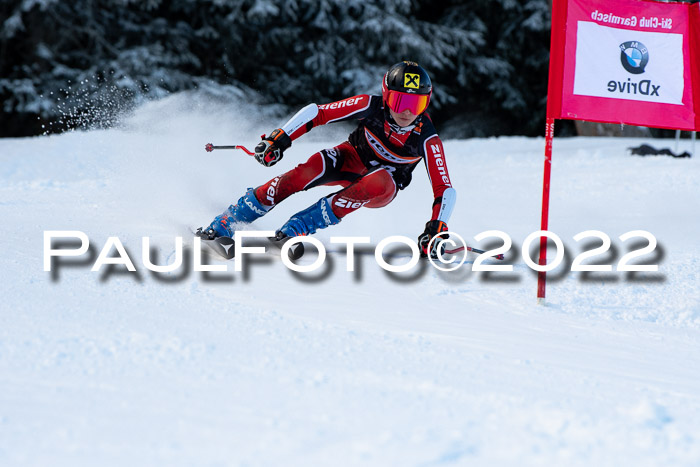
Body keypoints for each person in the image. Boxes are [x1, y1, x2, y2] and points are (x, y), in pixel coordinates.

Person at [197, 61, 456, 259]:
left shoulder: (427, 138)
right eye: (400, 101)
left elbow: (444, 188)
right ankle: (224, 223)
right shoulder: (370, 105)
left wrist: (436, 227)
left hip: (381, 188)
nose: (407, 111)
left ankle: (295, 229)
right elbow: (318, 113)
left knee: (379, 180)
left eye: (416, 103)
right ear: (387, 96)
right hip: (351, 158)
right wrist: (281, 138)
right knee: (307, 171)